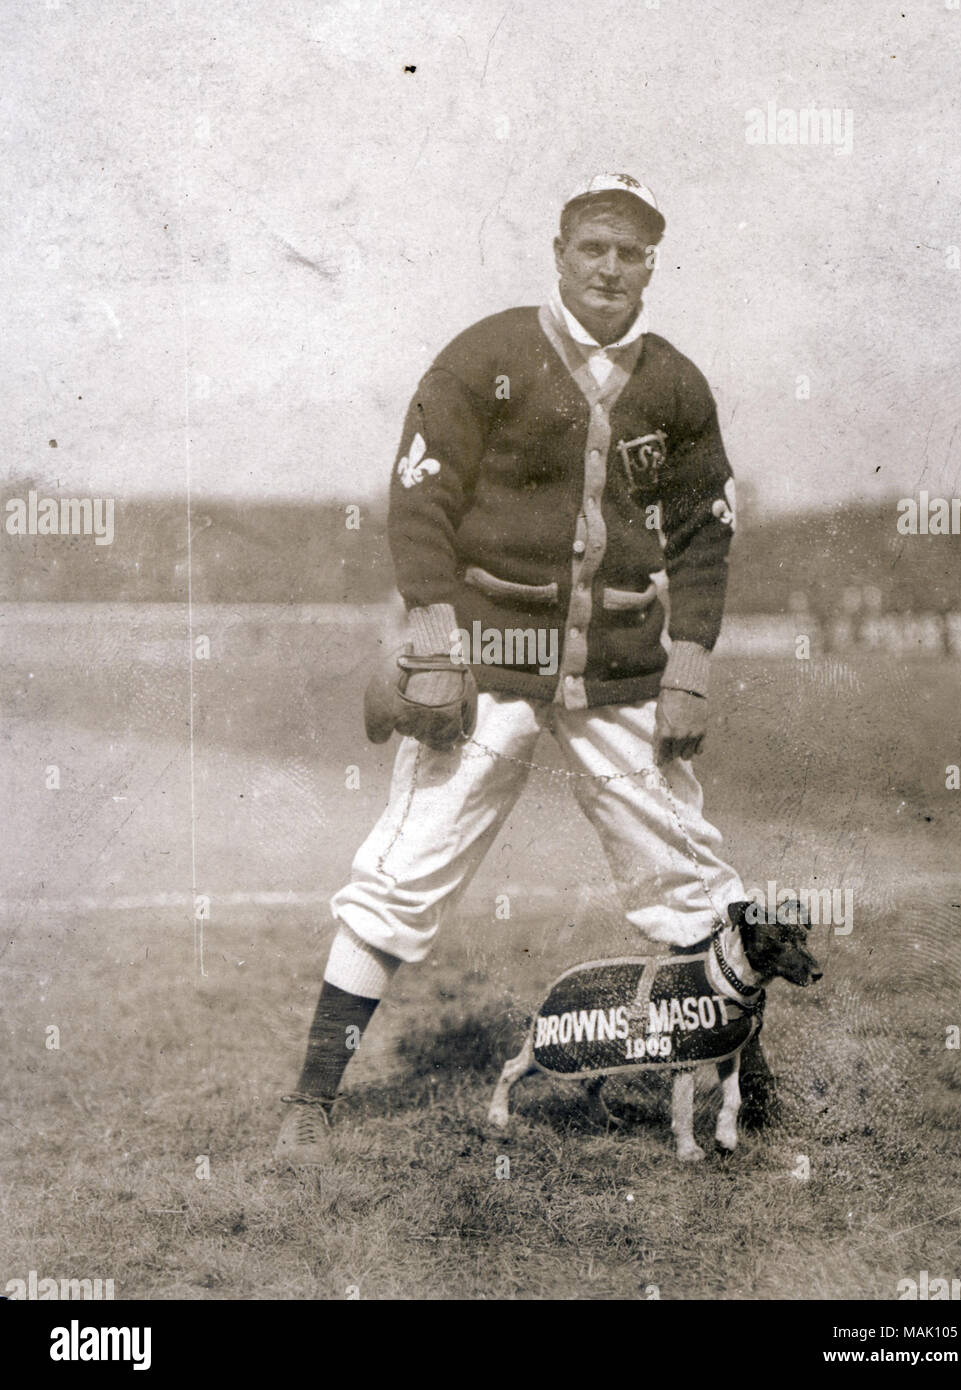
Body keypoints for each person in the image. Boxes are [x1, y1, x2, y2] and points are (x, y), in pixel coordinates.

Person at [275, 173, 777, 1165]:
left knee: (686, 872)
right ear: (558, 253)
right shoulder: (490, 353)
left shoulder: (675, 382)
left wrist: (692, 663)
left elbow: (706, 533)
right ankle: (311, 1097)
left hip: (624, 665)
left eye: (631, 251)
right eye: (593, 245)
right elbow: (421, 496)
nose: (610, 266)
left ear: (650, 267)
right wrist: (427, 630)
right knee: (403, 871)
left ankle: (747, 1095)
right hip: (494, 654)